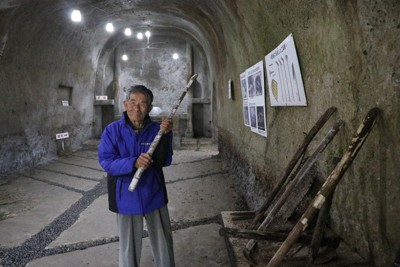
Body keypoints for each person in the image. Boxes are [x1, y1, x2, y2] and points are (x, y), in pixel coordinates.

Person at [98, 85, 175, 267]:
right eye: (133, 102)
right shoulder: (112, 130)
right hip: (125, 196)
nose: (137, 108)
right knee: (128, 248)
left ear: (149, 107)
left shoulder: (158, 129)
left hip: (153, 192)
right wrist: (133, 162)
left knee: (163, 243)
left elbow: (165, 160)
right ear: (125, 104)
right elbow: (106, 161)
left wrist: (166, 134)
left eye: (143, 104)